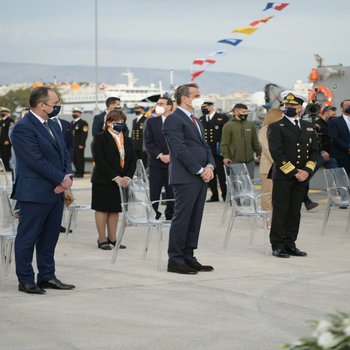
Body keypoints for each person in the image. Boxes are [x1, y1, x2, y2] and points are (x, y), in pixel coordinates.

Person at [11, 86, 75, 294]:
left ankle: (47, 276)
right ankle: (26, 279)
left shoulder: (53, 125)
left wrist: (66, 176)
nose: (57, 107)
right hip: (34, 192)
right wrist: (60, 179)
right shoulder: (23, 127)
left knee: (49, 237)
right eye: (54, 104)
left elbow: (64, 152)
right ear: (41, 105)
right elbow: (35, 161)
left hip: (55, 192)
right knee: (27, 238)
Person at [162, 83, 215, 275]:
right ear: (185, 98)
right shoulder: (173, 120)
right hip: (186, 177)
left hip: (201, 176)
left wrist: (210, 166)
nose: (200, 98)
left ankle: (188, 256)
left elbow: (205, 146)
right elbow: (180, 149)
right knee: (182, 219)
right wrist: (200, 169)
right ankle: (175, 259)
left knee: (195, 218)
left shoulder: (195, 120)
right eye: (196, 95)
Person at [267, 91, 318, 258]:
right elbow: (277, 152)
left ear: (300, 108)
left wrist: (307, 171)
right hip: (284, 176)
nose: (288, 108)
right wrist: (295, 172)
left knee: (295, 211)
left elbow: (315, 152)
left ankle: (290, 243)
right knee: (281, 210)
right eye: (286, 105)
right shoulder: (276, 127)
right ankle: (278, 245)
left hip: (303, 177)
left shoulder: (308, 127)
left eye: (292, 106)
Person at [91, 109, 136, 250]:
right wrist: (115, 177)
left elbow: (132, 160)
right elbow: (100, 160)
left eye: (122, 122)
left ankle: (113, 238)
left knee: (115, 210)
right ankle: (102, 239)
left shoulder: (127, 140)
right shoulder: (100, 138)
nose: (120, 124)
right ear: (108, 123)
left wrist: (127, 176)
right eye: (117, 122)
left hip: (122, 180)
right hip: (104, 179)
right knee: (102, 209)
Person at [302, 105, 338, 211]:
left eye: (335, 115)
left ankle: (344, 197)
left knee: (339, 173)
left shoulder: (333, 124)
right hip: (318, 155)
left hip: (330, 156)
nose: (334, 117)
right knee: (307, 175)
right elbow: (313, 142)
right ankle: (305, 199)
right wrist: (321, 151)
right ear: (325, 113)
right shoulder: (315, 124)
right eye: (332, 114)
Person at [143, 96, 174, 220]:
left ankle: (171, 213)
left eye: (161, 103)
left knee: (171, 190)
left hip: (173, 162)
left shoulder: (176, 121)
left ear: (169, 106)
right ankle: (153, 212)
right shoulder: (151, 122)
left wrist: (171, 156)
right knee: (154, 190)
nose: (159, 105)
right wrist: (160, 155)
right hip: (156, 162)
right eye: (158, 103)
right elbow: (148, 142)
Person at [221, 103, 261, 179]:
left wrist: (260, 153)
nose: (245, 114)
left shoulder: (250, 125)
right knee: (238, 184)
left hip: (250, 161)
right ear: (236, 112)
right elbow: (224, 143)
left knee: (249, 182)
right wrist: (225, 157)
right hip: (235, 161)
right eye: (243, 112)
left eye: (246, 112)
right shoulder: (228, 126)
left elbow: (255, 141)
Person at [199, 99, 229, 202]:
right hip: (206, 152)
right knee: (210, 174)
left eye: (206, 107)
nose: (204, 109)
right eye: (203, 107)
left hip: (218, 152)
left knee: (222, 175)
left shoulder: (222, 118)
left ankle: (225, 195)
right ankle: (214, 195)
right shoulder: (201, 119)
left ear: (212, 107)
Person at [258, 108, 283, 212]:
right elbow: (267, 149)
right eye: (281, 116)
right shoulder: (264, 130)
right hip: (268, 168)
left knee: (278, 195)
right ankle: (267, 218)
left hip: (280, 167)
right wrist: (281, 162)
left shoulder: (280, 129)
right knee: (268, 194)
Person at [328, 99, 350, 175]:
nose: (348, 107)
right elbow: (335, 138)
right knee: (342, 179)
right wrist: (348, 148)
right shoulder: (335, 121)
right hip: (341, 155)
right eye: (346, 105)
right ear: (341, 108)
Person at [71, 107, 89, 177]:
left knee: (79, 159)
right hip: (73, 145)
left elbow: (84, 134)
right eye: (73, 112)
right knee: (74, 158)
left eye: (76, 112)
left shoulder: (83, 123)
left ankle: (80, 173)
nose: (74, 114)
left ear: (80, 113)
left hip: (79, 144)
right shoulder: (72, 122)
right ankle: (77, 171)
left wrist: (82, 144)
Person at [0, 106, 15, 171]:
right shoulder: (1, 120)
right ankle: (4, 167)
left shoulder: (10, 120)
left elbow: (11, 131)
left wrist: (7, 140)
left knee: (7, 154)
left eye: (3, 112)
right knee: (2, 154)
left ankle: (8, 167)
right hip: (1, 140)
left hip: (6, 141)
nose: (1, 113)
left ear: (7, 112)